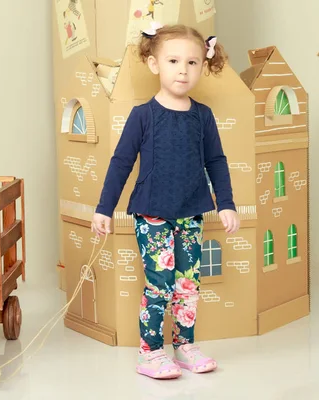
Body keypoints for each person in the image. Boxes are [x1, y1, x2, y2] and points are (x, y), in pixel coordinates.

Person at [91, 23, 240, 380]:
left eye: (192, 62)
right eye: (174, 60)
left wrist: (227, 203)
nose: (183, 70)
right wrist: (103, 208)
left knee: (188, 283)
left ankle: (185, 345)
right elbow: (121, 163)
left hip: (191, 213)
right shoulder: (143, 115)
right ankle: (151, 352)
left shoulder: (203, 116)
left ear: (202, 66)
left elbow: (216, 161)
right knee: (160, 284)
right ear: (155, 64)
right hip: (152, 214)